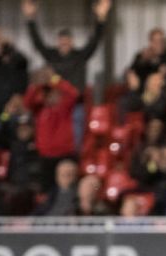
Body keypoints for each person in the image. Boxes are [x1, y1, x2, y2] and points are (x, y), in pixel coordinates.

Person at [22, 0, 111, 150]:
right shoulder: (52, 56)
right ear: (58, 43)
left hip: (76, 105)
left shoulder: (80, 56)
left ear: (72, 42)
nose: (64, 45)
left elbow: (95, 41)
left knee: (75, 140)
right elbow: (38, 43)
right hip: (55, 106)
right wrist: (30, 19)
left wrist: (100, 19)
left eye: (67, 42)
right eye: (61, 42)